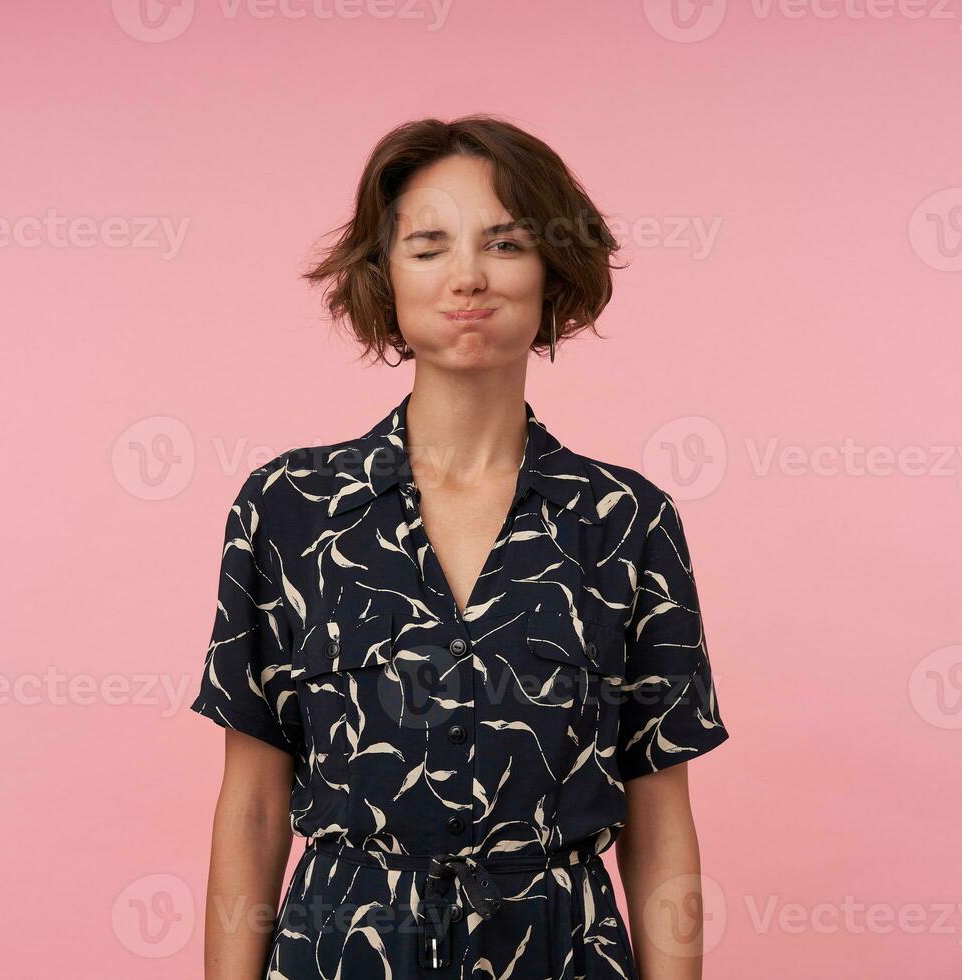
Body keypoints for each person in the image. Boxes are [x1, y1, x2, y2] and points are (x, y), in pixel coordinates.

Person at [191, 114, 729, 979]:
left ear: (554, 272)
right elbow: (253, 804)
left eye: (506, 242)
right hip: (343, 952)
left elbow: (660, 817)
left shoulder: (627, 521)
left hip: (561, 952)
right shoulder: (290, 509)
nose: (468, 277)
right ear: (385, 274)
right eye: (430, 245)